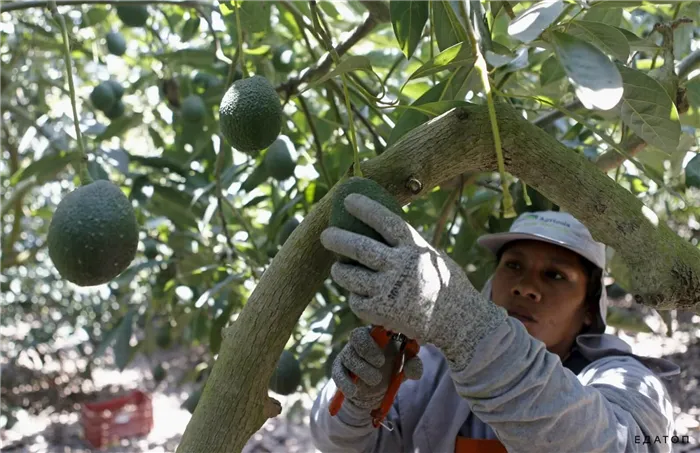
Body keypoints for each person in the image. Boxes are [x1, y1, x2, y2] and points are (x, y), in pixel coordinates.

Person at [310, 194, 680, 453]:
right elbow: (343, 446)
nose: (526, 288)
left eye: (555, 275)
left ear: (589, 309)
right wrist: (359, 405)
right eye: (513, 266)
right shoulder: (435, 369)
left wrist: (472, 332)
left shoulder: (627, 381)